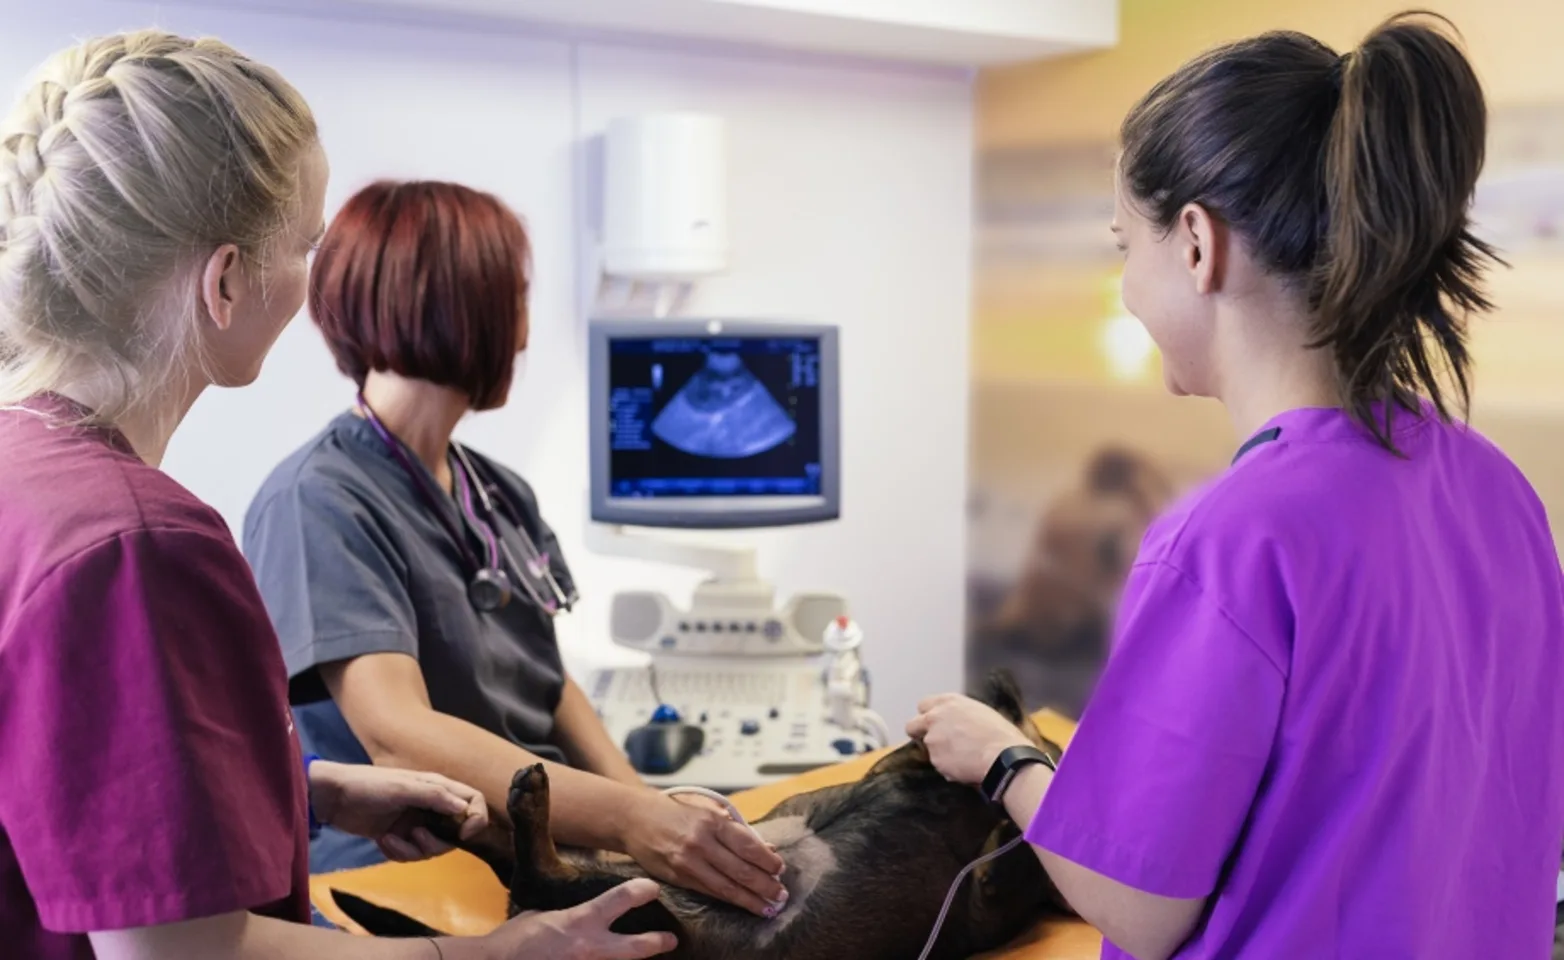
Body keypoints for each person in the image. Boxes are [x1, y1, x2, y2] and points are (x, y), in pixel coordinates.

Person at [0, 30, 674, 960]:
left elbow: (61, 781)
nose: (315, 286)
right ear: (227, 280)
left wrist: (309, 784)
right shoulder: (139, 544)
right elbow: (177, 953)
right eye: (307, 245)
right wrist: (496, 953)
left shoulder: (26, 476)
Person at [910, 12, 1564, 960]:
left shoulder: (1232, 538)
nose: (1126, 287)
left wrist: (1003, 760)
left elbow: (1137, 903)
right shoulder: (1498, 491)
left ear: (1195, 244)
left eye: (1121, 245)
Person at [240, 179, 788, 918]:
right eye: (517, 294)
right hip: (414, 874)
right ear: (460, 304)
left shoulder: (496, 490)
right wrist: (634, 822)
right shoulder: (320, 497)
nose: (526, 330)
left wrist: (657, 809)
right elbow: (399, 736)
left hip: (552, 846)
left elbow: (549, 684)